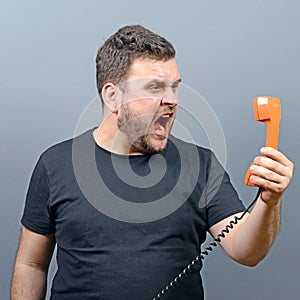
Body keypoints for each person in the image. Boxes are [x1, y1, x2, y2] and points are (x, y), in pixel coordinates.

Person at [11, 25, 293, 300]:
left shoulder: (201, 164)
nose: (171, 100)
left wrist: (270, 201)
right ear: (113, 96)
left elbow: (247, 252)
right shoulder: (55, 164)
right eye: (155, 88)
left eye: (174, 87)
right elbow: (31, 265)